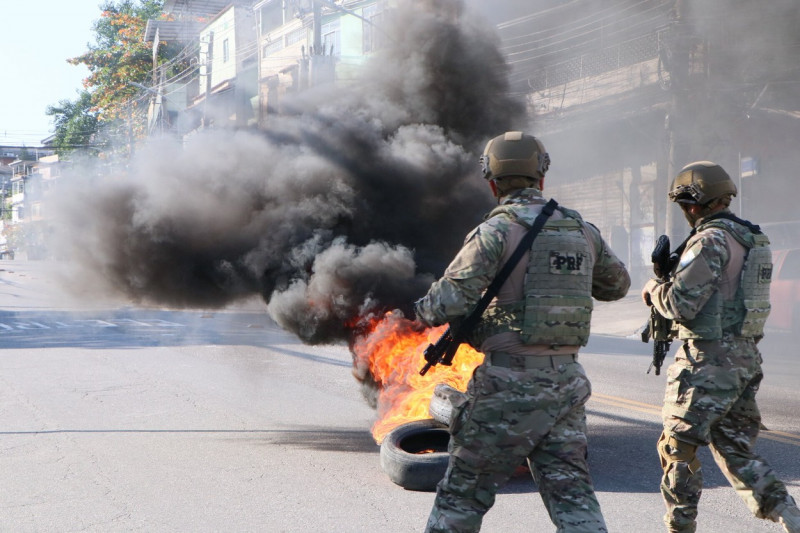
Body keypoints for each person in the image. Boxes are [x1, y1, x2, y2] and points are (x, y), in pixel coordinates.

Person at [414, 131, 631, 532]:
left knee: (461, 499)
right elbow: (617, 286)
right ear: (541, 177)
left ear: (492, 181)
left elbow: (445, 303)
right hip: (565, 384)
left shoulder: (494, 233)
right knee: (574, 501)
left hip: (506, 389)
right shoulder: (582, 231)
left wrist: (419, 308)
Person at [641, 161, 800, 533]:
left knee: (677, 447)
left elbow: (682, 303)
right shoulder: (752, 237)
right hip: (744, 358)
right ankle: (789, 515)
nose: (685, 212)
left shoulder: (709, 240)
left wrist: (653, 292)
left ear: (694, 203)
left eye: (685, 205)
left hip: (707, 360)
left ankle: (680, 526)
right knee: (735, 449)